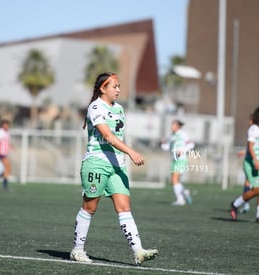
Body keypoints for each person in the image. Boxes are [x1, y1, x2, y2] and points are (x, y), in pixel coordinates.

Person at [70, 72, 158, 265]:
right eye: (114, 86)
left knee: (124, 208)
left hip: (117, 165)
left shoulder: (118, 108)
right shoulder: (95, 107)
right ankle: (77, 250)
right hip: (97, 163)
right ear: (103, 88)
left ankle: (138, 251)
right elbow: (108, 136)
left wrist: (124, 156)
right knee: (90, 207)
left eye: (119, 86)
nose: (118, 90)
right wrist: (131, 152)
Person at [230, 107, 259, 224]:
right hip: (252, 163)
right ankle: (235, 204)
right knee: (257, 190)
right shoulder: (254, 129)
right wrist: (255, 161)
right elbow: (250, 147)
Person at [161, 119, 194, 206]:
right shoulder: (172, 136)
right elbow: (168, 147)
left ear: (178, 126)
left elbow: (191, 144)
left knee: (175, 179)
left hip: (181, 159)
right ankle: (184, 192)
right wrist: (161, 144)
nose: (172, 127)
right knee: (174, 180)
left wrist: (182, 151)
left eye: (173, 125)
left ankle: (180, 200)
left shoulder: (183, 134)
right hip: (174, 159)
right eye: (172, 125)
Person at [0, 119, 11, 191]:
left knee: (8, 169)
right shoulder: (0, 132)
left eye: (7, 125)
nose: (6, 126)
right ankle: (4, 186)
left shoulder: (7, 133)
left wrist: (11, 146)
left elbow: (6, 142)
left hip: (5, 153)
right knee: (7, 169)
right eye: (5, 125)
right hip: (1, 153)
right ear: (2, 125)